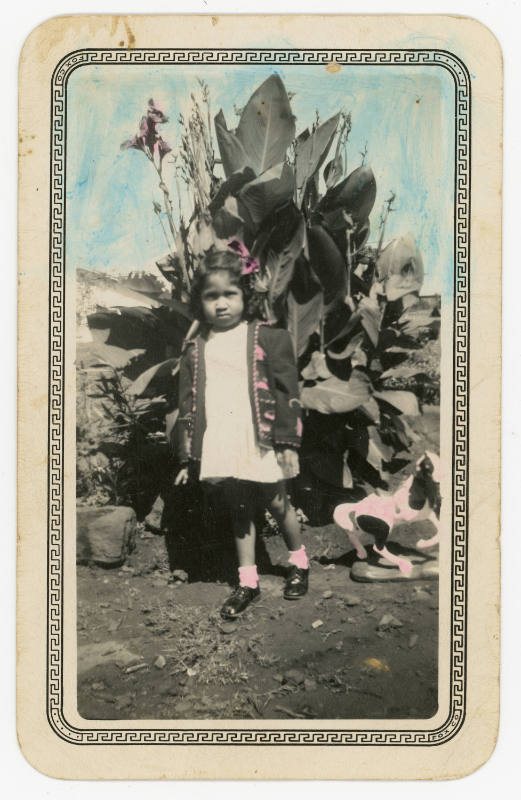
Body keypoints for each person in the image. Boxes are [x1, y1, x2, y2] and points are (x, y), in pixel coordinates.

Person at [174, 242, 309, 619]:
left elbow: (287, 390)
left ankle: (298, 561)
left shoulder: (268, 337)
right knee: (240, 508)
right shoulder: (196, 348)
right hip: (223, 436)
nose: (221, 304)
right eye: (211, 296)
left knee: (277, 501)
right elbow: (188, 402)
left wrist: (287, 441)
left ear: (244, 295)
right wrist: (187, 453)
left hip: (261, 437)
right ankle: (248, 581)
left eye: (229, 294)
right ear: (199, 301)